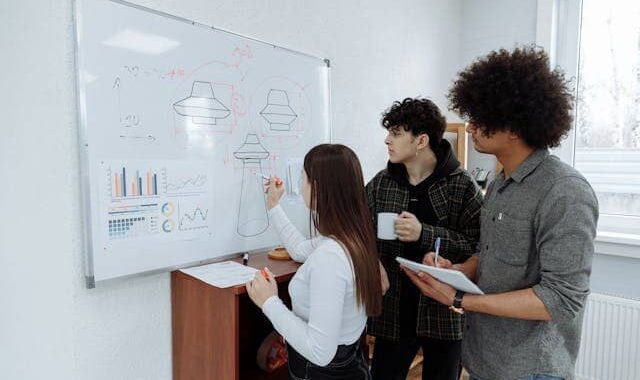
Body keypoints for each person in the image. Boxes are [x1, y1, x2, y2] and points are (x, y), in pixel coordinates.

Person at [402, 46, 599, 380]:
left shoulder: (565, 191)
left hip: (530, 369)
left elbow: (560, 300)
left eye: (483, 117)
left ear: (516, 126)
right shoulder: (498, 183)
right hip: (484, 360)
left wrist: (459, 297)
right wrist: (459, 270)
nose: (472, 125)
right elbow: (491, 254)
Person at [366, 98, 483, 380]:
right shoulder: (382, 182)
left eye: (395, 133)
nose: (387, 140)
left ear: (420, 140)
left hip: (444, 313)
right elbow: (358, 228)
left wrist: (424, 234)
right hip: (392, 312)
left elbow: (478, 246)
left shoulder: (461, 184)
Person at [246, 144, 382, 380]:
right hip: (348, 363)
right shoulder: (352, 238)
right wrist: (273, 206)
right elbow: (300, 250)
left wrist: (269, 302)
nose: (300, 185)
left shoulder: (330, 258)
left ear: (317, 188)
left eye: (303, 178)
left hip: (323, 372)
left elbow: (320, 352)